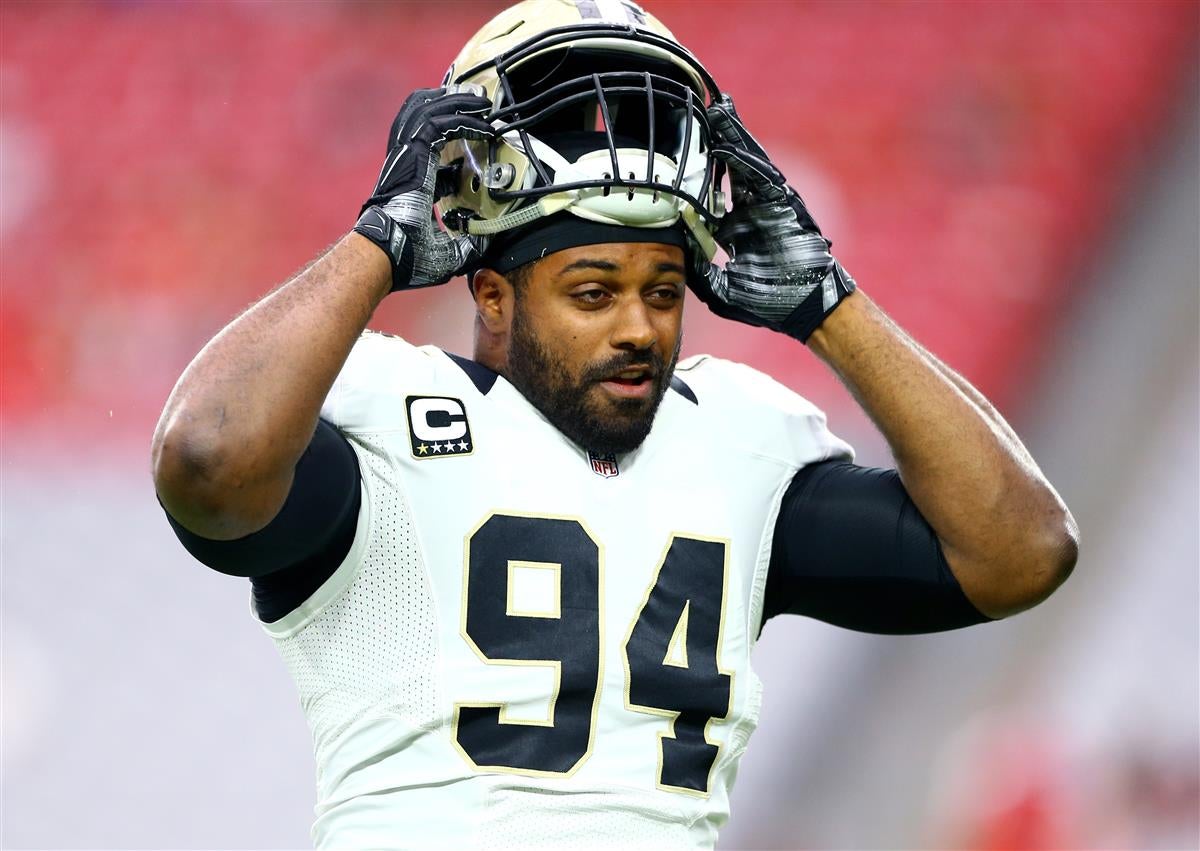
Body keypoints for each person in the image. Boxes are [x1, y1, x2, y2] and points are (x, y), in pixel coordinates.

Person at [151, 2, 1078, 848]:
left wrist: (828, 304)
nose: (637, 328)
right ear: (492, 295)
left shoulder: (735, 443)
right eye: (592, 293)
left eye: (663, 293)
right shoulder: (385, 420)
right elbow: (205, 459)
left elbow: (1021, 552)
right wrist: (377, 245)